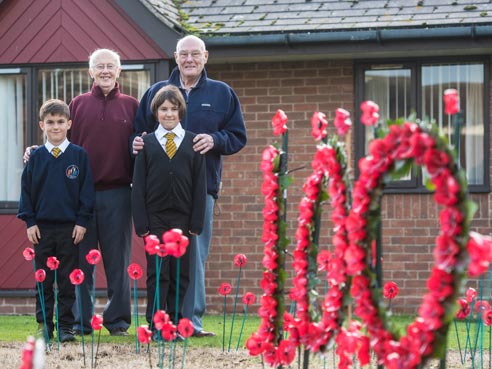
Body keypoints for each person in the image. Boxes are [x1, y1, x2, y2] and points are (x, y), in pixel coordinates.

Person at [133, 35, 247, 337]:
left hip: (200, 189)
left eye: (195, 54)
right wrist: (135, 141)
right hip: (158, 198)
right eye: (184, 54)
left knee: (193, 256)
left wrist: (215, 140)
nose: (189, 60)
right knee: (162, 264)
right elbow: (139, 132)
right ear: (175, 56)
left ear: (205, 56)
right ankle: (163, 321)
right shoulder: (157, 92)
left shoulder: (222, 93)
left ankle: (191, 321)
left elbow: (238, 136)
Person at [24, 49, 138, 336]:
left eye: (111, 66)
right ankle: (79, 321)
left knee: (117, 260)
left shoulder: (132, 106)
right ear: (90, 72)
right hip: (80, 198)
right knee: (80, 263)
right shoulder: (77, 104)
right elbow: (60, 141)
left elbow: (141, 144)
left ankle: (117, 321)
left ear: (119, 71)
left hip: (118, 193)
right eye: (99, 66)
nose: (105, 71)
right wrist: (36, 150)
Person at [18, 99, 95, 343]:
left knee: (66, 280)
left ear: (69, 124)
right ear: (42, 125)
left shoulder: (79, 156)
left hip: (70, 230)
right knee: (43, 279)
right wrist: (30, 222)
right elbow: (26, 192)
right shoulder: (36, 157)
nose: (55, 127)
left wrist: (82, 221)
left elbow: (86, 193)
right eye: (50, 122)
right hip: (41, 229)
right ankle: (44, 326)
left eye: (60, 122)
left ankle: (65, 327)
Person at [132, 85, 206, 333]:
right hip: (155, 220)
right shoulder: (147, 144)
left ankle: (174, 323)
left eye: (174, 109)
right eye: (164, 109)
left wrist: (197, 223)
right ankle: (155, 323)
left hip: (184, 220)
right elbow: (138, 187)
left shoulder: (193, 144)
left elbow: (199, 187)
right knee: (158, 273)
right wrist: (141, 224)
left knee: (179, 274)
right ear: (156, 112)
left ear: (181, 112)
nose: (169, 114)